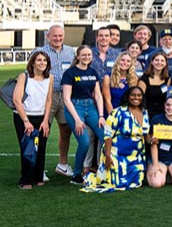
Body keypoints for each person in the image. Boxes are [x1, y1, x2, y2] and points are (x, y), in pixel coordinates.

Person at [82, 86, 148, 193]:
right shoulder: (117, 112)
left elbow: (145, 132)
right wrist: (108, 155)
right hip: (117, 153)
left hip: (136, 156)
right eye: (133, 95)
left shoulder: (145, 113)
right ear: (128, 97)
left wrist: (152, 140)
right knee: (115, 184)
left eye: (139, 95)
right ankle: (90, 177)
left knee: (135, 183)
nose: (136, 98)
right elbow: (108, 135)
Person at [62, 45, 105, 183]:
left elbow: (98, 95)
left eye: (89, 55)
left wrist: (101, 115)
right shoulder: (70, 73)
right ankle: (77, 174)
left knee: (106, 137)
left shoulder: (93, 72)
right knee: (85, 142)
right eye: (84, 55)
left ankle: (104, 169)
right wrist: (77, 119)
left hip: (91, 107)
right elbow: (66, 98)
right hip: (75, 108)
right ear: (78, 56)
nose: (86, 57)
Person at [12, 52, 53, 188]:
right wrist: (26, 121)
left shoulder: (50, 78)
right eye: (39, 60)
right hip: (24, 116)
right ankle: (25, 180)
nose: (42, 63)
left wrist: (46, 120)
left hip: (41, 117)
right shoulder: (24, 76)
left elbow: (49, 100)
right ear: (33, 63)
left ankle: (38, 177)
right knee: (28, 148)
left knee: (41, 146)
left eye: (45, 60)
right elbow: (16, 100)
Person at [42, 25, 76, 178]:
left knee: (66, 130)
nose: (57, 38)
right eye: (54, 36)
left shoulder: (71, 51)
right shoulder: (40, 52)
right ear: (48, 36)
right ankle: (39, 167)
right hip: (46, 96)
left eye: (60, 36)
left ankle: (62, 164)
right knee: (42, 131)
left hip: (66, 95)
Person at [139, 51, 171, 119]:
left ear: (165, 64)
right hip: (147, 114)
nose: (159, 63)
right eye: (156, 60)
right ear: (152, 62)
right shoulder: (144, 79)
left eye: (162, 61)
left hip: (163, 114)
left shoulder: (168, 79)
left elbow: (169, 97)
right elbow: (140, 98)